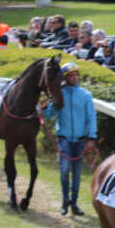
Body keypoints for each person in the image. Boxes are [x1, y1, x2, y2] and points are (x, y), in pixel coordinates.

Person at [42, 63, 97, 216]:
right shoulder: (60, 94)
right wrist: (45, 107)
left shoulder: (85, 95)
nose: (74, 77)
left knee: (77, 174)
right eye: (71, 75)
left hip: (80, 141)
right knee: (65, 171)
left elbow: (91, 118)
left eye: (76, 75)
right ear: (65, 78)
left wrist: (91, 138)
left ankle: (74, 204)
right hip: (64, 140)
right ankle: (65, 201)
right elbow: (49, 114)